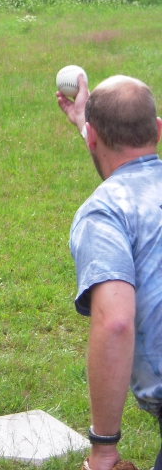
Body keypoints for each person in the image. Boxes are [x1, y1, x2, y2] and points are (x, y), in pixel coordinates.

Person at [57, 74, 162, 470]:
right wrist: (85, 122)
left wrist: (103, 449)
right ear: (157, 130)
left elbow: (115, 323)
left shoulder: (105, 213)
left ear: (92, 139)